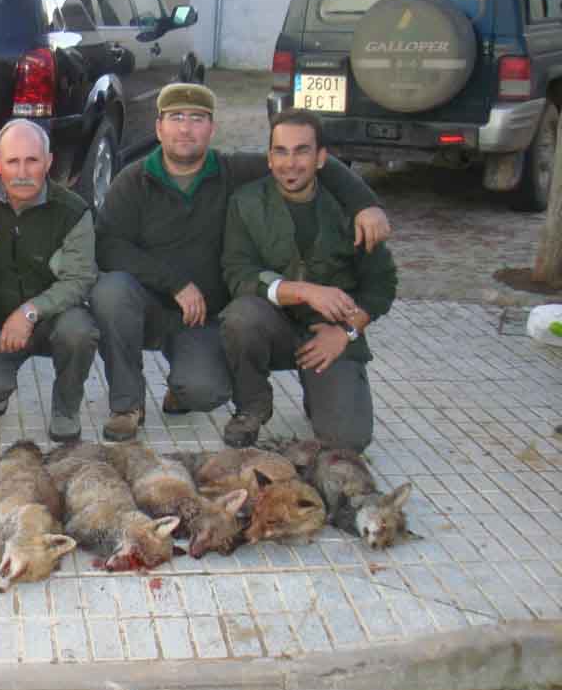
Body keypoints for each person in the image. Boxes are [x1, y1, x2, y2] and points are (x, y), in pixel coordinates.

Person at [91, 83, 390, 442]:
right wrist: (174, 284)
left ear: (212, 128)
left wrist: (365, 203)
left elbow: (307, 163)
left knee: (205, 391)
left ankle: (184, 389)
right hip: (149, 308)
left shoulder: (235, 171)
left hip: (204, 321)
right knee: (109, 291)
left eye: (197, 119)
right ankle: (127, 405)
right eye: (176, 118)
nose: (186, 128)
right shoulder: (132, 180)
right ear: (159, 128)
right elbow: (107, 247)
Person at [219, 108, 397, 450]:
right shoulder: (245, 203)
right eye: (281, 151)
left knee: (347, 441)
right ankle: (252, 405)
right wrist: (303, 291)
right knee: (240, 317)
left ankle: (321, 394)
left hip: (329, 334)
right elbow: (237, 273)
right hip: (272, 326)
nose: (291, 163)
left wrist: (346, 331)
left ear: (321, 158)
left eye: (302, 151)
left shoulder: (352, 211)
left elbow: (382, 285)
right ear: (269, 158)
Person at [0, 119, 98, 442]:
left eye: (32, 160)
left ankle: (66, 409)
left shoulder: (74, 211)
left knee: (79, 332)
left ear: (48, 162)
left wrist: (30, 312)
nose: (22, 171)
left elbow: (79, 279)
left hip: (52, 317)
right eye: (13, 161)